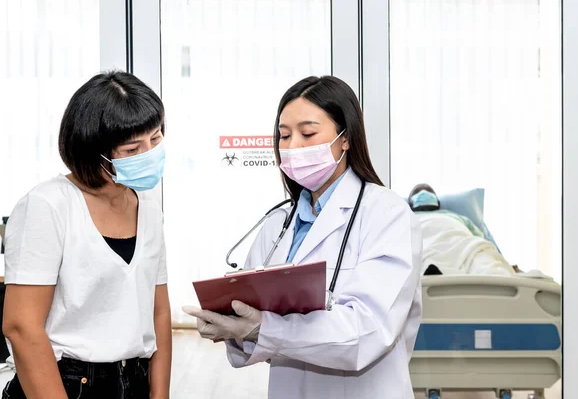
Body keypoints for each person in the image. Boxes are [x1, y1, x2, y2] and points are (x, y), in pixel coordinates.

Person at [184, 76, 423, 398]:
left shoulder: (386, 214)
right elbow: (257, 317)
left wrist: (263, 328)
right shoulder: (279, 222)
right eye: (284, 135)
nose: (292, 146)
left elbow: (369, 331)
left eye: (308, 133)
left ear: (346, 138)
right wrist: (231, 325)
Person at [2, 71, 172, 398]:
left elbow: (159, 312)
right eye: (132, 148)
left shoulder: (148, 207)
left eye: (156, 138)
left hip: (133, 379)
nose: (150, 153)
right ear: (93, 152)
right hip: (62, 383)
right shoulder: (48, 205)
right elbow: (21, 327)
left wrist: (159, 393)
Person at [408, 183, 514, 276]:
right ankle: (430, 275)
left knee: (482, 260)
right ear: (410, 203)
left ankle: (497, 277)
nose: (423, 192)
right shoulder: (407, 219)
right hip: (424, 243)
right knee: (420, 259)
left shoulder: (457, 217)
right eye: (418, 191)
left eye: (428, 190)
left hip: (463, 244)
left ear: (438, 202)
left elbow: (481, 238)